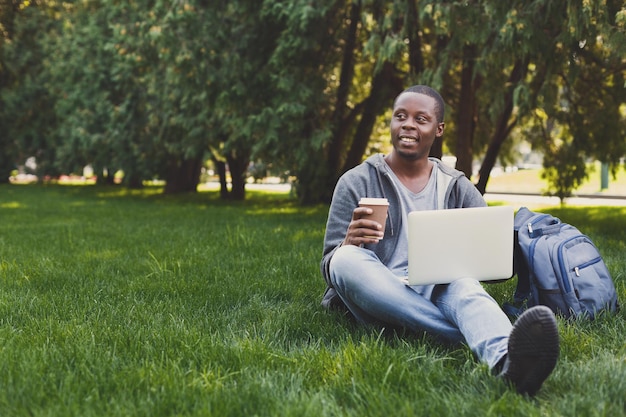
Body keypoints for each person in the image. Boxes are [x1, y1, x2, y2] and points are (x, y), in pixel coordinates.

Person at [319, 85, 559, 396]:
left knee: (464, 285)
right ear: (391, 123)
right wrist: (349, 243)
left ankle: (508, 363)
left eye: (421, 119)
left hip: (436, 287)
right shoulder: (355, 181)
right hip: (374, 290)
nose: (408, 124)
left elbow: (490, 257)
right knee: (345, 260)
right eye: (400, 116)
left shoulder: (457, 186)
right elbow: (329, 266)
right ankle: (490, 340)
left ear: (438, 129)